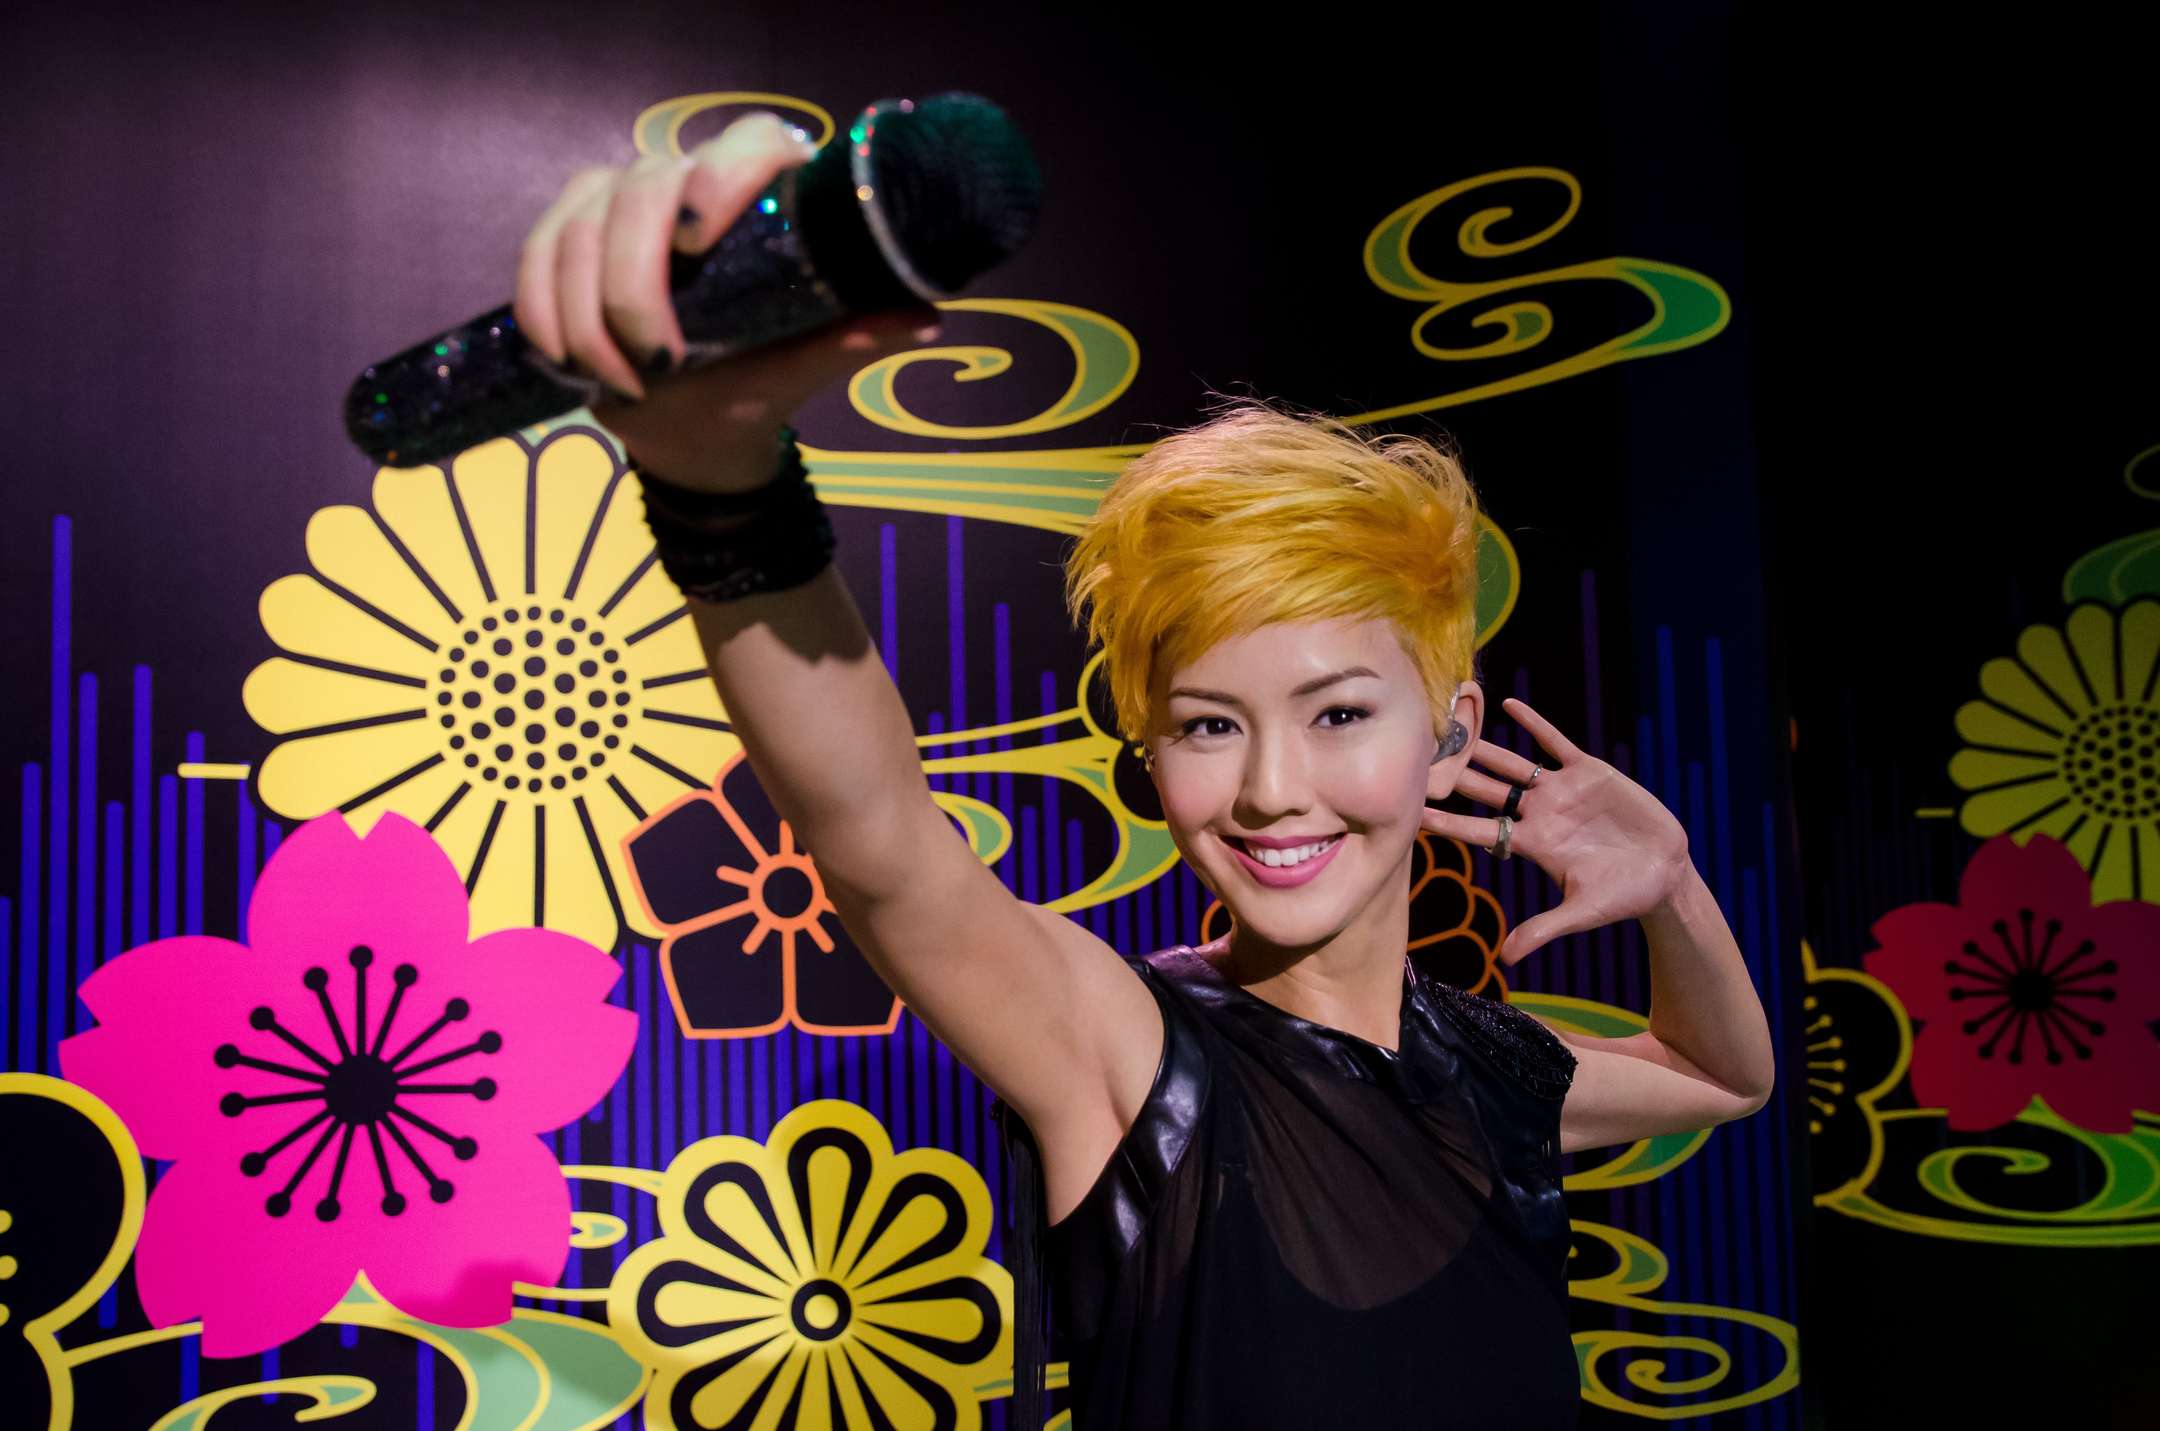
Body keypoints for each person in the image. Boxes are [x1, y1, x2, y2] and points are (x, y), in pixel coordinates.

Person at [512, 110, 1778, 1428]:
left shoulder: (1494, 1067)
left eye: (1339, 714)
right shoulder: (1129, 1048)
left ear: (1450, 731)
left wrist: (1674, 886)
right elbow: (883, 844)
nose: (1271, 788)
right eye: (1209, 726)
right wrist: (723, 487)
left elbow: (1724, 1079)